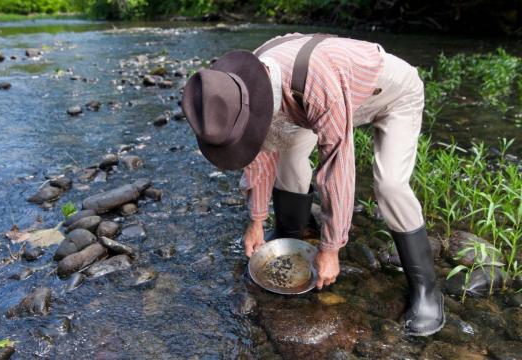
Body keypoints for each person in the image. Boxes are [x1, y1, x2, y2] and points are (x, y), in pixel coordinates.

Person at [180, 33, 445, 336]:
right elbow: (260, 151)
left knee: (389, 186)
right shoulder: (241, 84)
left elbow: (337, 166)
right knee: (289, 155)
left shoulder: (318, 86)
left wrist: (331, 248)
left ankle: (427, 290)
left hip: (391, 94)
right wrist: (256, 220)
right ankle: (290, 233)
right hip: (319, 95)